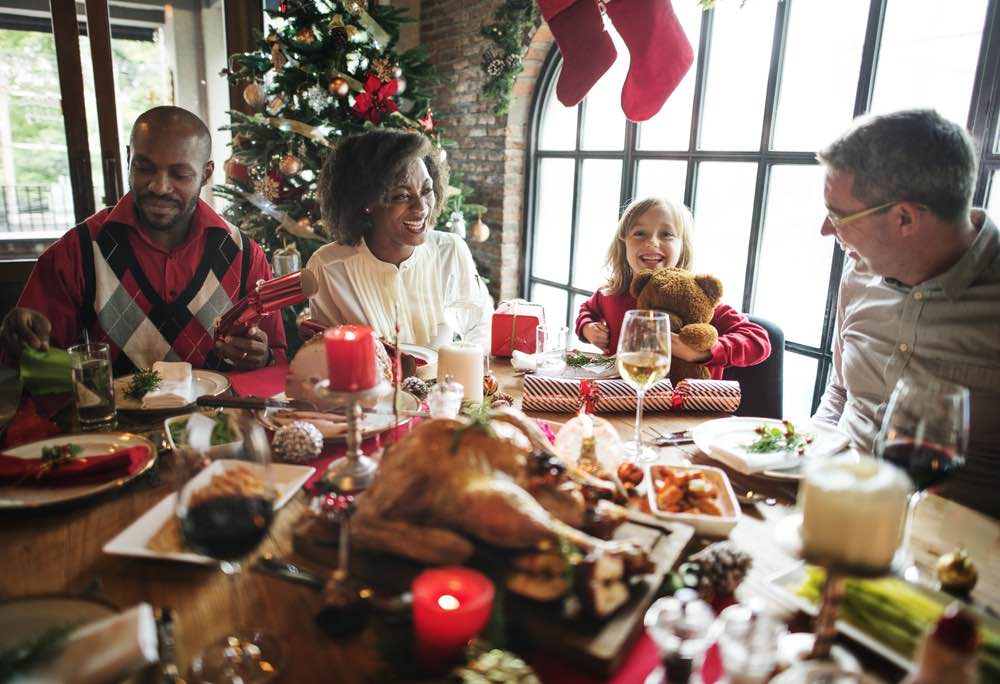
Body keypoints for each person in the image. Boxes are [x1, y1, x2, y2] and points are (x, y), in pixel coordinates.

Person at [812, 109, 1000, 518]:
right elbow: (840, 394)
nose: (826, 230)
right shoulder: (858, 274)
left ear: (904, 217)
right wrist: (800, 466)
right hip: (833, 505)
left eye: (838, 216)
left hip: (955, 542)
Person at [0, 106, 286, 372]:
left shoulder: (245, 256)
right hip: (113, 412)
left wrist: (263, 356)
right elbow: (31, 365)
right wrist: (19, 339)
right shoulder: (78, 250)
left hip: (218, 411)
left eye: (180, 174)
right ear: (129, 159)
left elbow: (276, 361)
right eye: (145, 168)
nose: (159, 187)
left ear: (206, 174)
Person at [306, 129, 491, 348]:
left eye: (426, 190)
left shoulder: (449, 250)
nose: (421, 207)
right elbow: (327, 354)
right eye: (402, 196)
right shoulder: (328, 267)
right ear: (366, 202)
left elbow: (481, 328)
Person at [575, 196, 770, 379]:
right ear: (623, 241)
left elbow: (758, 340)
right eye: (639, 233)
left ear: (682, 246)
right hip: (621, 400)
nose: (652, 242)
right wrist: (587, 328)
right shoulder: (610, 294)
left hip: (691, 404)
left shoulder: (698, 300)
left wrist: (703, 353)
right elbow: (587, 310)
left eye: (666, 234)